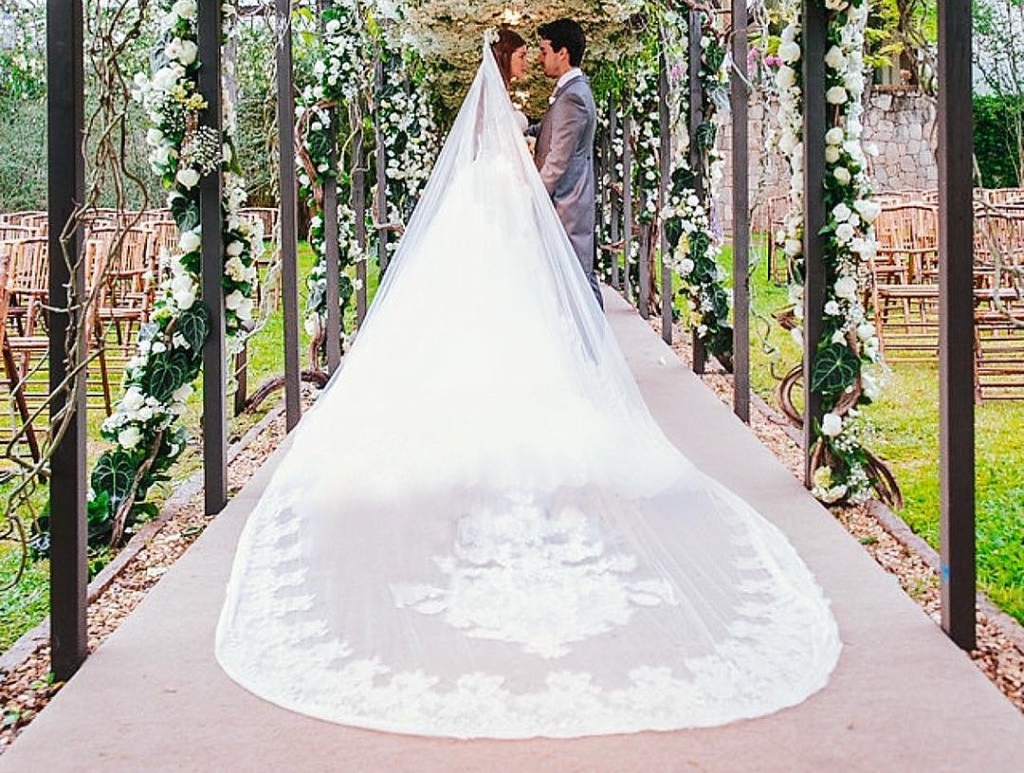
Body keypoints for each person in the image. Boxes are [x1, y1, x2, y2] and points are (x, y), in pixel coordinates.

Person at [216, 41, 840, 739]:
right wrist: (516, 190)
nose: (528, 61)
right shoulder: (516, 115)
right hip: (508, 229)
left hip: (512, 225)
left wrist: (517, 188)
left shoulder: (543, 105)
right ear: (506, 61)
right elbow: (532, 169)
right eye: (522, 54)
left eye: (536, 52)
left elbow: (540, 166)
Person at [532, 18, 602, 307]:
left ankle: (594, 346)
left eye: (544, 50)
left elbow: (558, 160)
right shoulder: (570, 93)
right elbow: (554, 133)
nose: (540, 58)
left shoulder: (572, 96)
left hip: (568, 202)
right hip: (569, 200)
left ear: (563, 53)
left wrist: (532, 196)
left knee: (578, 277)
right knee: (575, 276)